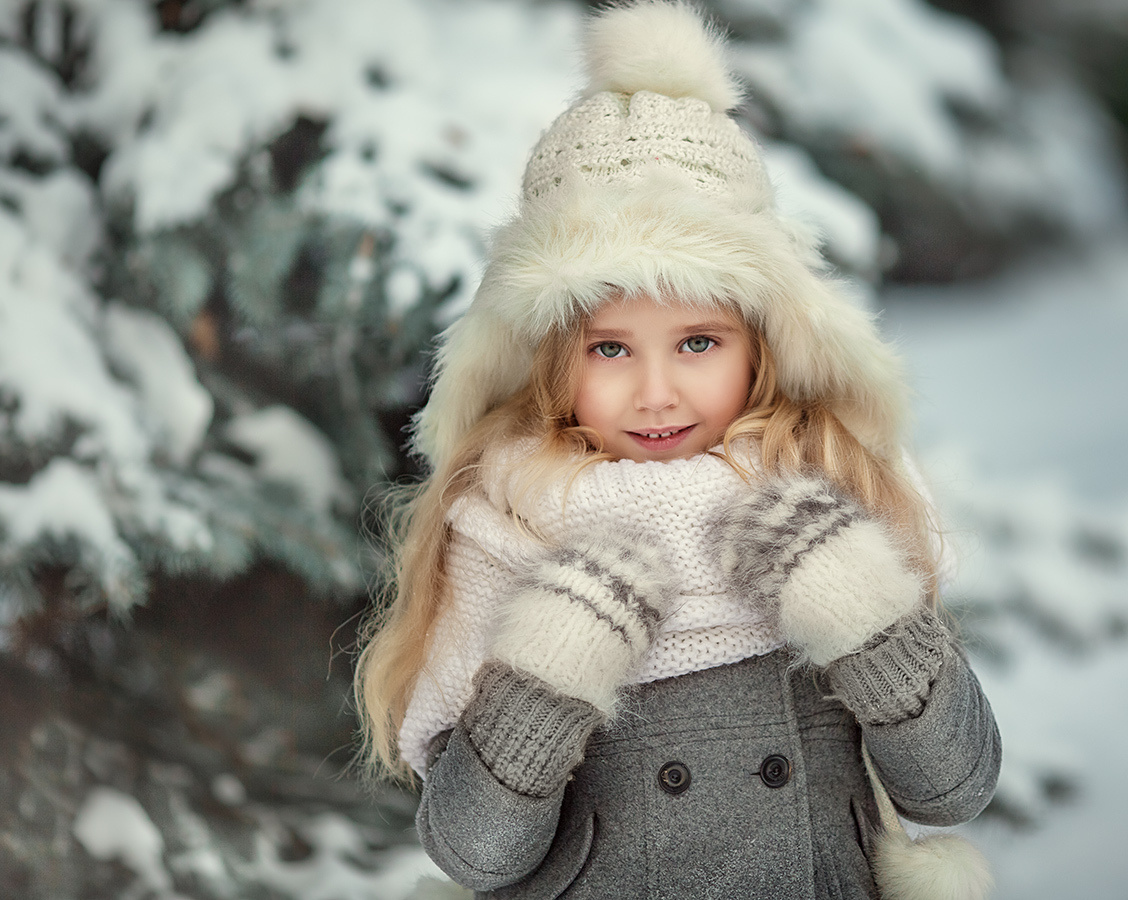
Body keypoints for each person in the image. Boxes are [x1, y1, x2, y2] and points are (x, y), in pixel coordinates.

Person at [355, 2, 1000, 898]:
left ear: (764, 344)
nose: (655, 392)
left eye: (698, 342)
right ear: (549, 359)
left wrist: (861, 610)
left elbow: (954, 785)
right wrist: (547, 676)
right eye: (610, 348)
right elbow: (473, 853)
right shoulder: (504, 526)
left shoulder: (827, 493)